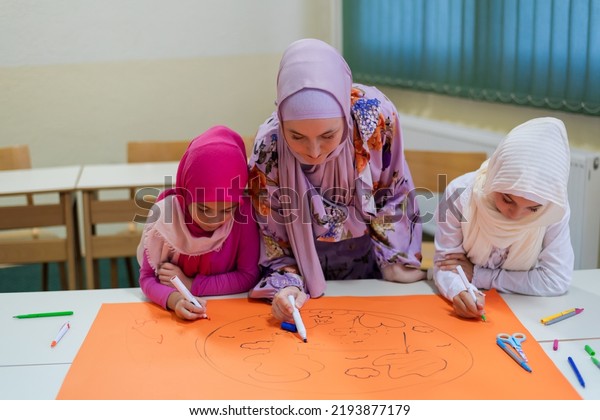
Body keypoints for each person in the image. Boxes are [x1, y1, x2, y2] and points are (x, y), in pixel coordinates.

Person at [247, 38, 426, 321]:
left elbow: (394, 190)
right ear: (281, 121)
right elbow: (273, 237)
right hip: (303, 275)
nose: (314, 152)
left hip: (372, 271)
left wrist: (394, 260)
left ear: (345, 113)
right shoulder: (269, 147)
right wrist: (287, 286)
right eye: (296, 137)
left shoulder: (374, 118)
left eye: (328, 135)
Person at [433, 117, 573, 319]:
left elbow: (556, 279)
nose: (515, 215)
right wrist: (457, 290)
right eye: (507, 200)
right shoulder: (459, 194)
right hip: (504, 303)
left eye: (533, 209)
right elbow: (445, 265)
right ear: (494, 177)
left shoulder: (553, 209)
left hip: (525, 313)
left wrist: (479, 275)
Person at [137, 125, 260, 320]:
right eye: (203, 209)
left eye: (227, 210)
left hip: (231, 316)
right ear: (186, 194)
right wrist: (175, 299)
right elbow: (147, 279)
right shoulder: (166, 216)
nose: (214, 220)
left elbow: (248, 276)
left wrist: (192, 284)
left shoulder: (243, 214)